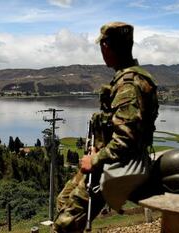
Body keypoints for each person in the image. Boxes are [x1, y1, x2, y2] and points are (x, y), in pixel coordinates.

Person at [54, 21, 159, 232]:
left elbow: (125, 141)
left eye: (102, 46)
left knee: (66, 223)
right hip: (106, 161)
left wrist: (94, 159)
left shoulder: (128, 85)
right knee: (63, 201)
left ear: (107, 47)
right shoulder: (128, 77)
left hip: (116, 166)